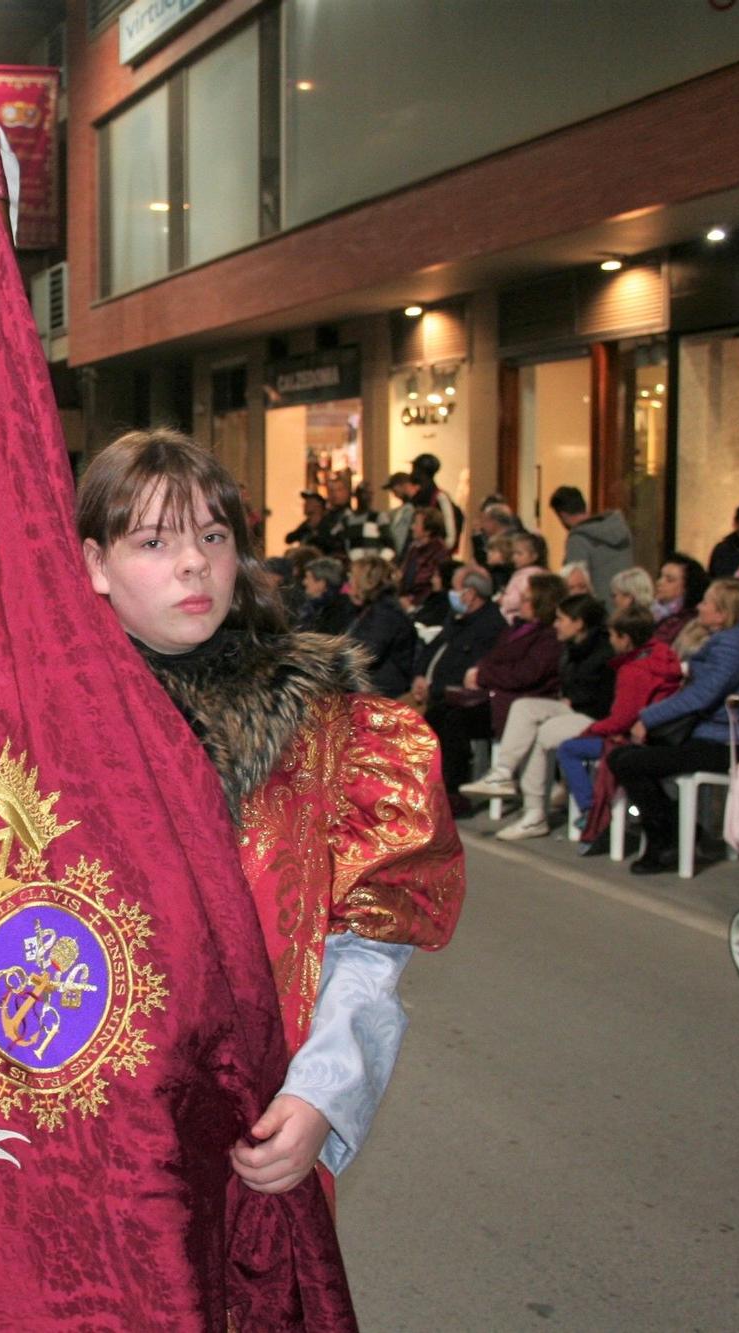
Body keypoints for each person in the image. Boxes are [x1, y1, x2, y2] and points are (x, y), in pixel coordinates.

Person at [73, 427, 462, 1254]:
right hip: (88, 1152)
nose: (193, 564)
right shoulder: (47, 734)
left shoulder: (326, 727)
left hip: (251, 1132)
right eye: (154, 540)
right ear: (95, 564)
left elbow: (368, 944)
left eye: (213, 536)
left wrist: (325, 1091)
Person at [605, 578, 739, 874]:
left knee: (631, 762)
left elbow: (702, 695)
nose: (699, 607)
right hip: (706, 735)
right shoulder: (731, 641)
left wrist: (648, 717)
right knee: (623, 756)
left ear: (722, 613)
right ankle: (680, 830)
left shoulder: (733, 645)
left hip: (722, 743)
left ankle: (664, 841)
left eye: (706, 603)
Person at [467, 592, 613, 840]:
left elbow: (599, 693)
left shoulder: (603, 651)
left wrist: (572, 698)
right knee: (524, 707)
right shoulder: (570, 648)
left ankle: (535, 813)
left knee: (542, 733)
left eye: (561, 619)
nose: (555, 624)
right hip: (569, 708)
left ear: (579, 623)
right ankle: (503, 772)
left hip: (596, 717)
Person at [427, 574, 566, 811]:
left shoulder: (548, 639)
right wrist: (480, 671)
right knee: (436, 714)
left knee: (455, 722)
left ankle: (454, 791)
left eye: (526, 600)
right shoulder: (515, 630)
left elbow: (525, 674)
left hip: (510, 704)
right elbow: (493, 659)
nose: (520, 604)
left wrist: (483, 675)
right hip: (492, 696)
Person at [555, 606, 680, 842]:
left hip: (637, 739)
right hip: (661, 734)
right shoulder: (663, 656)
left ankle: (591, 811)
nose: (609, 641)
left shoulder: (633, 670)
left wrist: (590, 730)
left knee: (569, 748)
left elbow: (622, 719)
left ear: (626, 639)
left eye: (613, 636)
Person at [409, 564, 506, 712]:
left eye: (455, 589)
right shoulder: (457, 617)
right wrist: (419, 675)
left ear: (471, 594)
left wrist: (433, 690)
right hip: (425, 694)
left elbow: (466, 671)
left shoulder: (490, 627)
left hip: (448, 703)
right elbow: (433, 647)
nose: (451, 594)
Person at [342, 555, 416, 696]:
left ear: (365, 580)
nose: (349, 581)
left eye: (352, 576)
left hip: (381, 691)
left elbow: (366, 653)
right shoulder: (372, 609)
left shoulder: (385, 613)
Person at [549, 486, 634, 594]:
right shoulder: (619, 529)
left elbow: (575, 581)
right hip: (625, 600)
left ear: (563, 515)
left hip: (596, 606)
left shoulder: (578, 540)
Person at [396, 507, 451, 609]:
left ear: (428, 531)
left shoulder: (440, 552)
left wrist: (412, 602)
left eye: (416, 524)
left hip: (425, 607)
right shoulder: (413, 548)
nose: (412, 527)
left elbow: (433, 586)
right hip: (405, 602)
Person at [651, 555, 708, 646]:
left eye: (669, 580)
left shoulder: (689, 622)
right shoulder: (650, 611)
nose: (660, 582)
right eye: (660, 576)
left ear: (686, 587)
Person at [497, 530, 549, 622]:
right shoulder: (520, 573)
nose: (514, 557)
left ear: (534, 556)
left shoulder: (531, 575)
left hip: (516, 618)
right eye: (514, 553)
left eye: (519, 554)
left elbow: (521, 598)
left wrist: (504, 600)